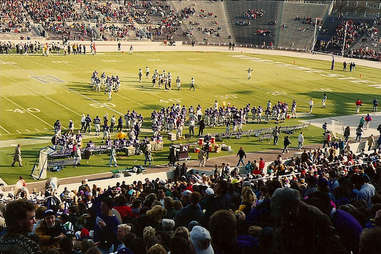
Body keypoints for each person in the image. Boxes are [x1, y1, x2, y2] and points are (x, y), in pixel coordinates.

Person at [271, 188, 346, 254]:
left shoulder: (315, 216)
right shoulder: (289, 217)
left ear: (293, 205)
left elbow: (334, 244)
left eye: (285, 210)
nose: (284, 215)